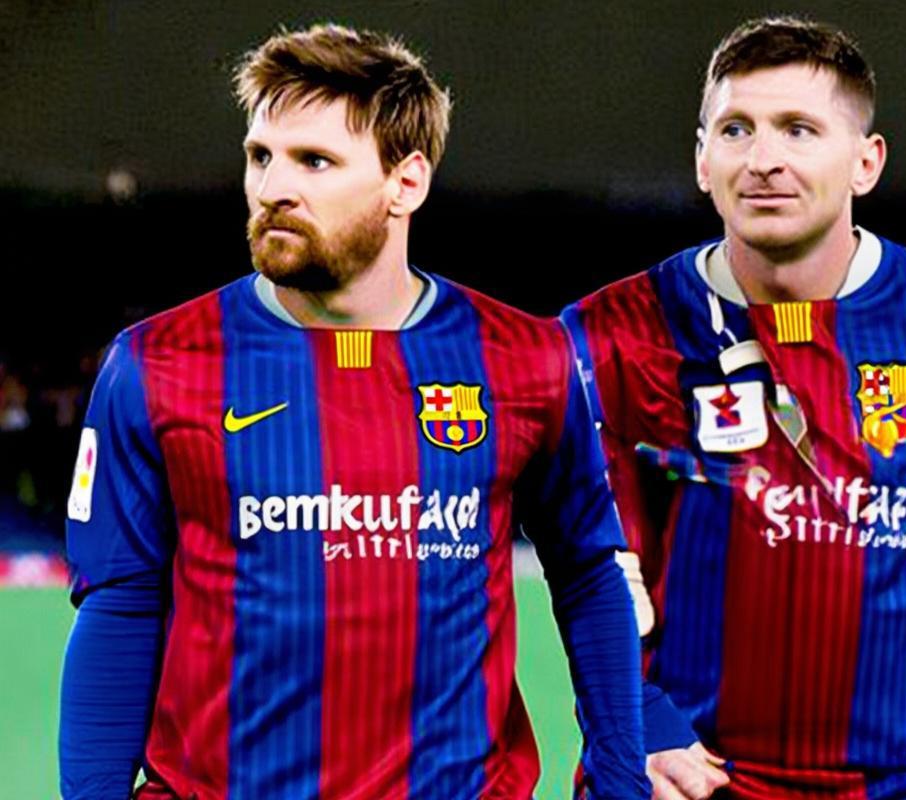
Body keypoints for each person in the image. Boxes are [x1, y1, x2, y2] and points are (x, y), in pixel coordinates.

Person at [58, 24, 648, 800]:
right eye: (261, 156)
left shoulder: (526, 359)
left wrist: (620, 781)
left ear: (406, 182)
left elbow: (587, 574)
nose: (273, 187)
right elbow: (122, 605)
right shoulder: (155, 362)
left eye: (315, 161)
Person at [561, 16, 906, 800]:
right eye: (736, 129)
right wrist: (640, 724)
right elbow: (587, 569)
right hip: (685, 781)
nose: (763, 159)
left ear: (866, 162)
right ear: (701, 159)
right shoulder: (603, 339)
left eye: (799, 129)